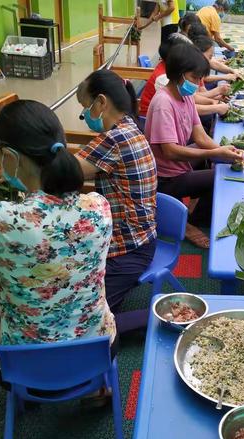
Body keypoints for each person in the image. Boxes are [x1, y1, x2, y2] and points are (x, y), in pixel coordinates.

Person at [0, 100, 116, 383]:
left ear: (10, 157)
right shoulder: (99, 207)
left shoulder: (1, 221)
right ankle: (99, 389)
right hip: (96, 350)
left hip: (24, 365)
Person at [145, 43, 244, 248]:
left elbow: (200, 136)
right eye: (194, 77)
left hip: (179, 167)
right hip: (165, 178)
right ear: (178, 74)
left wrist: (224, 151)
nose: (198, 83)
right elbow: (170, 151)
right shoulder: (163, 103)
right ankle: (190, 221)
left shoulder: (186, 97)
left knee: (214, 159)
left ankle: (189, 209)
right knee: (218, 177)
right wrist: (217, 152)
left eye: (200, 78)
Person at [75, 70, 157, 317]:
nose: (84, 117)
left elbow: (61, 172)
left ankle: (152, 319)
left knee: (89, 322)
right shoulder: (129, 126)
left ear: (101, 102)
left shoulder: (115, 139)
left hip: (128, 249)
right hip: (140, 236)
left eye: (85, 108)